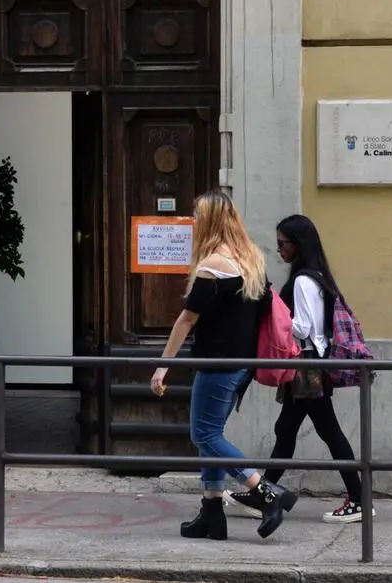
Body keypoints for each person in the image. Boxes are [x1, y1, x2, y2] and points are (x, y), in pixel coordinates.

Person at [150, 190, 297, 541]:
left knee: (203, 434)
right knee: (209, 435)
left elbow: (186, 319)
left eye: (198, 216)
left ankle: (264, 492)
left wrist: (161, 367)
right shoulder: (251, 261)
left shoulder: (213, 265)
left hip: (217, 364)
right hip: (240, 363)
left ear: (212, 222)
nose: (194, 221)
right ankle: (211, 513)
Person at [224, 214, 375, 524]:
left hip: (307, 366)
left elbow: (304, 328)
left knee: (328, 432)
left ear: (297, 244)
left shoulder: (305, 279)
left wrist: (275, 314)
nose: (278, 249)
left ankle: (359, 500)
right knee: (286, 431)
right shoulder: (314, 275)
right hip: (308, 367)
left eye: (283, 244)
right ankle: (264, 494)